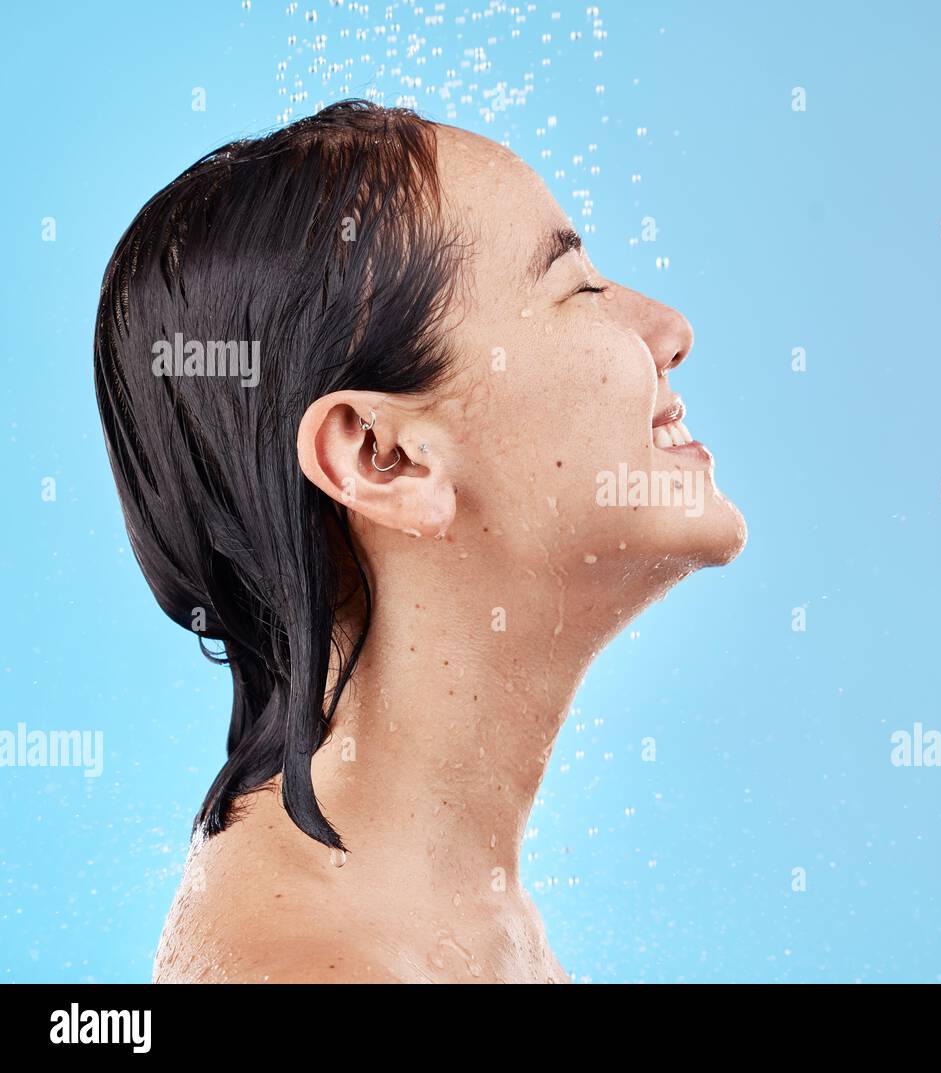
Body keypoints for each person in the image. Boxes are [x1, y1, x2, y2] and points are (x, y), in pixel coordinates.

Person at [93, 100, 746, 983]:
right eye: (580, 288)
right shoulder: (315, 970)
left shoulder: (457, 923)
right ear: (382, 456)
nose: (670, 330)